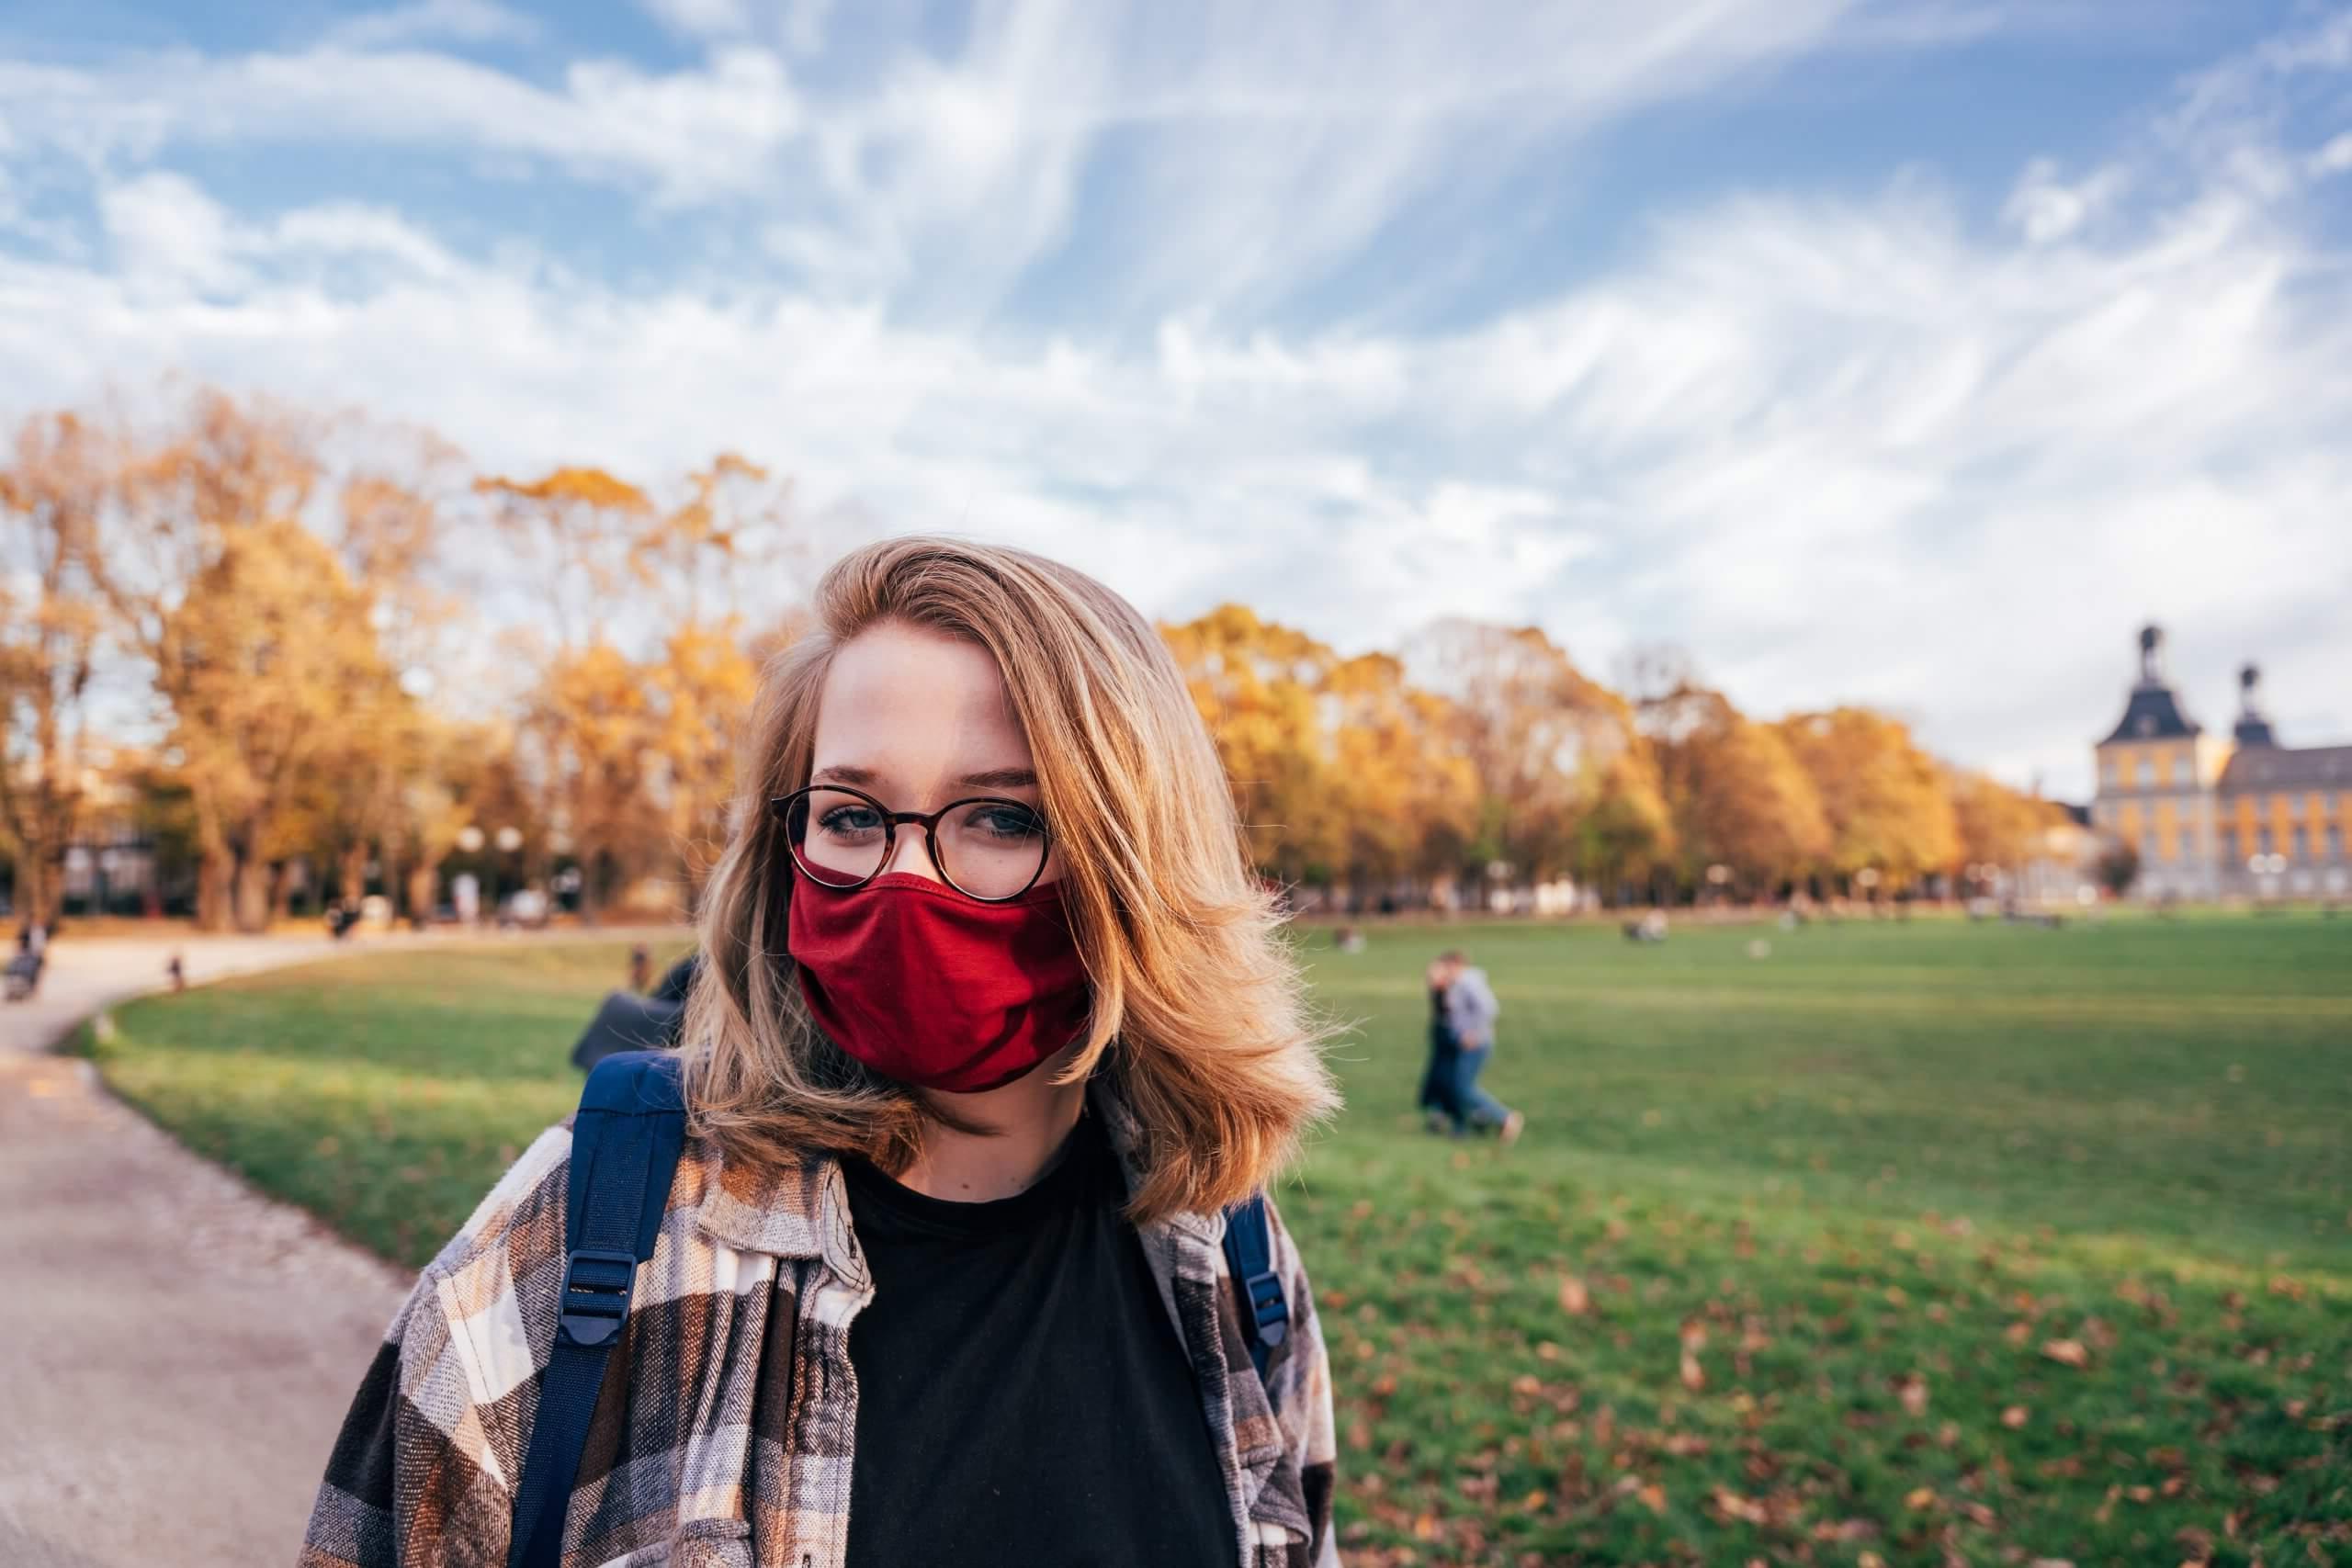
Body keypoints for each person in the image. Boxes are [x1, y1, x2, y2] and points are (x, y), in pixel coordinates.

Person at [303, 537, 1344, 1568]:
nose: (902, 876)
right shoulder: (582, 1238)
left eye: (1000, 816)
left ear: (1137, 859)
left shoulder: (1227, 1254)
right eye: (850, 814)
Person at [1437, 949, 1523, 1145]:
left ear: (1456, 965)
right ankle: (1479, 1121)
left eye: (1446, 967)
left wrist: (1473, 1033)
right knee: (1459, 1086)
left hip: (1475, 1044)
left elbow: (1489, 1008)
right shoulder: (1458, 984)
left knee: (1463, 1088)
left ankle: (1505, 1117)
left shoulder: (1469, 983)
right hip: (1464, 1042)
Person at [1416, 953, 1463, 1133]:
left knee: (1448, 1078)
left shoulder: (1454, 989)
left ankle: (1453, 1116)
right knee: (1438, 1078)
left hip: (1450, 1039)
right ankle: (1439, 1115)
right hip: (1441, 1038)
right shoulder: (1441, 991)